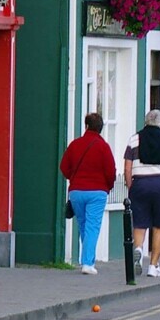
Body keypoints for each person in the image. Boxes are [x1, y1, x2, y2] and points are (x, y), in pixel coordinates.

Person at [124, 110, 160, 277]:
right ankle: (153, 266)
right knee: (159, 225)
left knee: (140, 223)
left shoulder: (134, 140)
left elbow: (127, 167)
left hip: (139, 183)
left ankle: (139, 251)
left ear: (145, 122)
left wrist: (131, 186)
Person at [59, 112, 116, 274]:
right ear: (100, 128)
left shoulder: (75, 144)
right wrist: (107, 186)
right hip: (97, 192)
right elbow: (111, 172)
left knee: (84, 226)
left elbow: (64, 167)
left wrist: (74, 179)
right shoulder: (103, 147)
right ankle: (87, 263)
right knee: (92, 227)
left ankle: (87, 259)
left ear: (86, 126)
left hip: (76, 192)